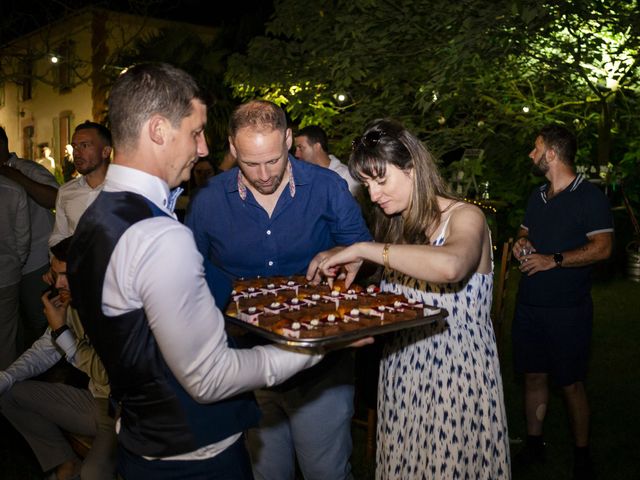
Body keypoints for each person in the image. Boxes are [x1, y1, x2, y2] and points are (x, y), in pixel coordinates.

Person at [67, 63, 329, 479]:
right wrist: (312, 347)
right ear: (158, 130)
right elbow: (209, 378)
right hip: (196, 461)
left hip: (141, 445)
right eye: (195, 132)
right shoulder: (158, 236)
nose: (204, 148)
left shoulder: (94, 219)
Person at [186, 100, 372, 480]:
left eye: (273, 160)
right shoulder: (207, 200)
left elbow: (365, 255)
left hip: (322, 365)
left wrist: (343, 252)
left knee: (326, 471)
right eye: (251, 163)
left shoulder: (327, 187)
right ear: (233, 149)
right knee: (267, 472)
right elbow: (190, 274)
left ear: (288, 139)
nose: (265, 174)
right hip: (244, 363)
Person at [319, 118, 511, 479]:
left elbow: (452, 265)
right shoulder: (397, 228)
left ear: (412, 167)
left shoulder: (465, 217)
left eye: (381, 180)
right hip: (402, 378)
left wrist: (366, 248)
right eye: (367, 185)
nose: (374, 195)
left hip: (455, 382)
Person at [511, 125, 613, 479]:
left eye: (535, 148)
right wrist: (520, 244)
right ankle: (534, 444)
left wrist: (553, 259)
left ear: (551, 153)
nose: (531, 154)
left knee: (570, 382)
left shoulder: (590, 197)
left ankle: (582, 454)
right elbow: (525, 232)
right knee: (533, 375)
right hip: (530, 304)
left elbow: (603, 248)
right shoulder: (537, 195)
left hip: (568, 308)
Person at [0, 236, 117, 480]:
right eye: (55, 274)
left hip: (122, 412)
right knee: (10, 394)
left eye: (67, 274)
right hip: (95, 400)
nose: (59, 283)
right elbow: (46, 349)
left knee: (93, 474)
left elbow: (108, 374)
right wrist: (6, 377)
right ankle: (65, 462)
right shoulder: (70, 302)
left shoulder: (116, 308)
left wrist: (62, 332)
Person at [0, 126, 59, 352]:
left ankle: (51, 377)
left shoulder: (26, 168)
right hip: (12, 266)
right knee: (16, 330)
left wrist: (17, 178)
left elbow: (56, 198)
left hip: (36, 262)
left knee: (41, 324)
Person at [48, 121, 112, 248]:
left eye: (84, 145)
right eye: (74, 147)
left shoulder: (126, 189)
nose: (76, 153)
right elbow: (58, 236)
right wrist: (56, 258)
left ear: (105, 151)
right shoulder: (66, 191)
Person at [0, 175, 30, 369]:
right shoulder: (13, 189)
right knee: (6, 338)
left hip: (8, 272)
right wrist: (15, 263)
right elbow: (23, 238)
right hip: (7, 275)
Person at [294, 124, 361, 197]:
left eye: (300, 148)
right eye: (296, 149)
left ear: (317, 147)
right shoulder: (301, 179)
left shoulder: (346, 177)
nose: (296, 154)